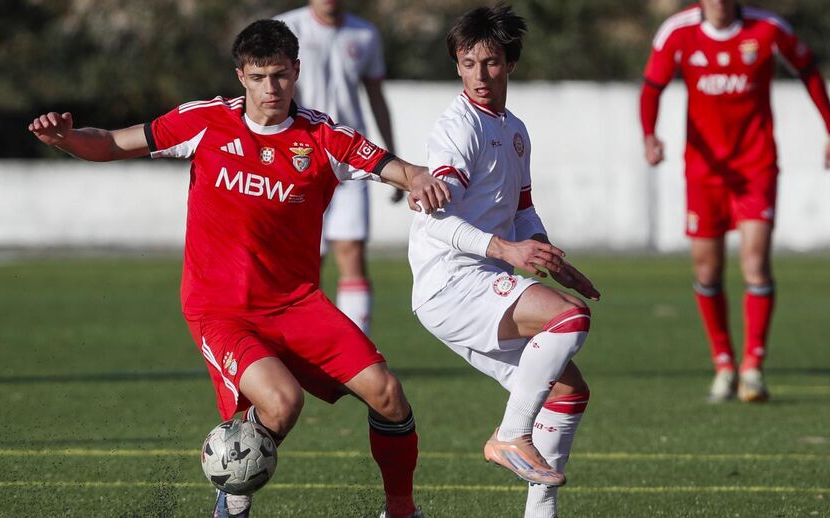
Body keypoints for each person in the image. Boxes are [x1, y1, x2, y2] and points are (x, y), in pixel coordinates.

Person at [28, 20, 448, 518]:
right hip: (220, 309)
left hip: (296, 304)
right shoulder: (205, 122)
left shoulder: (321, 137)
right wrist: (69, 139)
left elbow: (392, 168)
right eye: (258, 76)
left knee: (388, 394)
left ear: (296, 71)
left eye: (280, 75)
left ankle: (401, 510)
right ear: (241, 77)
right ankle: (233, 496)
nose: (271, 88)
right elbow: (115, 143)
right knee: (281, 403)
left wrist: (420, 176)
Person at [408, 6, 601, 518]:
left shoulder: (513, 128)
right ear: (456, 64)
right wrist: (509, 252)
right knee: (570, 317)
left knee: (566, 389)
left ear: (510, 64)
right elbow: (435, 222)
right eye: (467, 62)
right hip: (450, 282)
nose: (478, 75)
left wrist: (545, 253)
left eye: (489, 62)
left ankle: (541, 512)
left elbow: (520, 208)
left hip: (477, 282)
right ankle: (511, 435)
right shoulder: (457, 128)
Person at [640, 0, 830, 402]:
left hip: (756, 166)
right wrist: (649, 135)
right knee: (707, 270)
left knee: (756, 263)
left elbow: (809, 72)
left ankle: (753, 368)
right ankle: (723, 364)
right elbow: (652, 87)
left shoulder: (768, 29)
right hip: (704, 173)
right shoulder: (678, 32)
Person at [275, 0, 400, 335]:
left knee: (351, 252)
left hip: (349, 159)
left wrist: (392, 154)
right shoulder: (285, 28)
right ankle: (298, 342)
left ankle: (356, 348)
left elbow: (376, 95)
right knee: (304, 261)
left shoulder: (365, 34)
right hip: (297, 161)